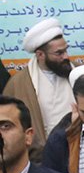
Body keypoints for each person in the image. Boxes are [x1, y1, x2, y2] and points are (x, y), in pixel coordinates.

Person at [6, 18, 74, 151]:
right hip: (39, 157)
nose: (66, 57)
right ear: (40, 55)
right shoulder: (18, 84)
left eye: (66, 50)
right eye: (59, 53)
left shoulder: (79, 73)